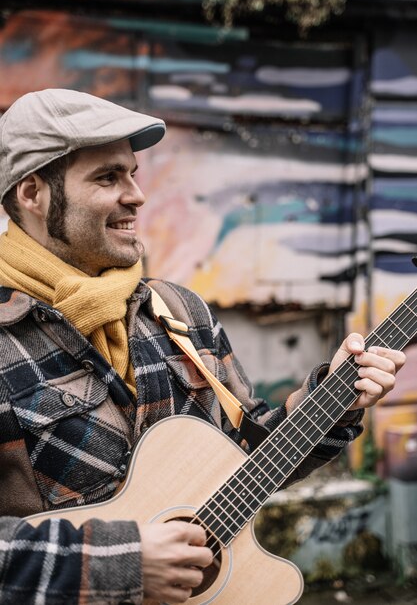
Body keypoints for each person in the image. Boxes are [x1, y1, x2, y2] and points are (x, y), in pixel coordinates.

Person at [0, 88, 405, 605]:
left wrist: (330, 402)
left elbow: (247, 462)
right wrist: (121, 564)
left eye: (132, 173)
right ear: (33, 193)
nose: (136, 195)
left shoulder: (180, 313)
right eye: (107, 177)